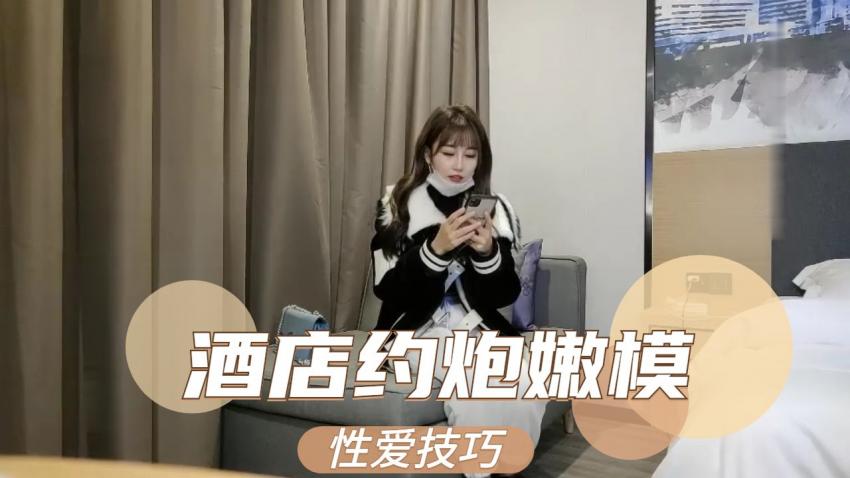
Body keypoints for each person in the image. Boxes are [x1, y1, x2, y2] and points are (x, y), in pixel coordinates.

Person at [369, 104, 546, 476]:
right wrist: (435, 250)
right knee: (473, 383)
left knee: (528, 380)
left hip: (476, 328)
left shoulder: (497, 211)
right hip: (415, 332)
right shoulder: (397, 204)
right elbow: (387, 289)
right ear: (428, 154)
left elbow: (505, 295)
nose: (460, 164)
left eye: (470, 155)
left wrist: (487, 253)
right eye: (449, 152)